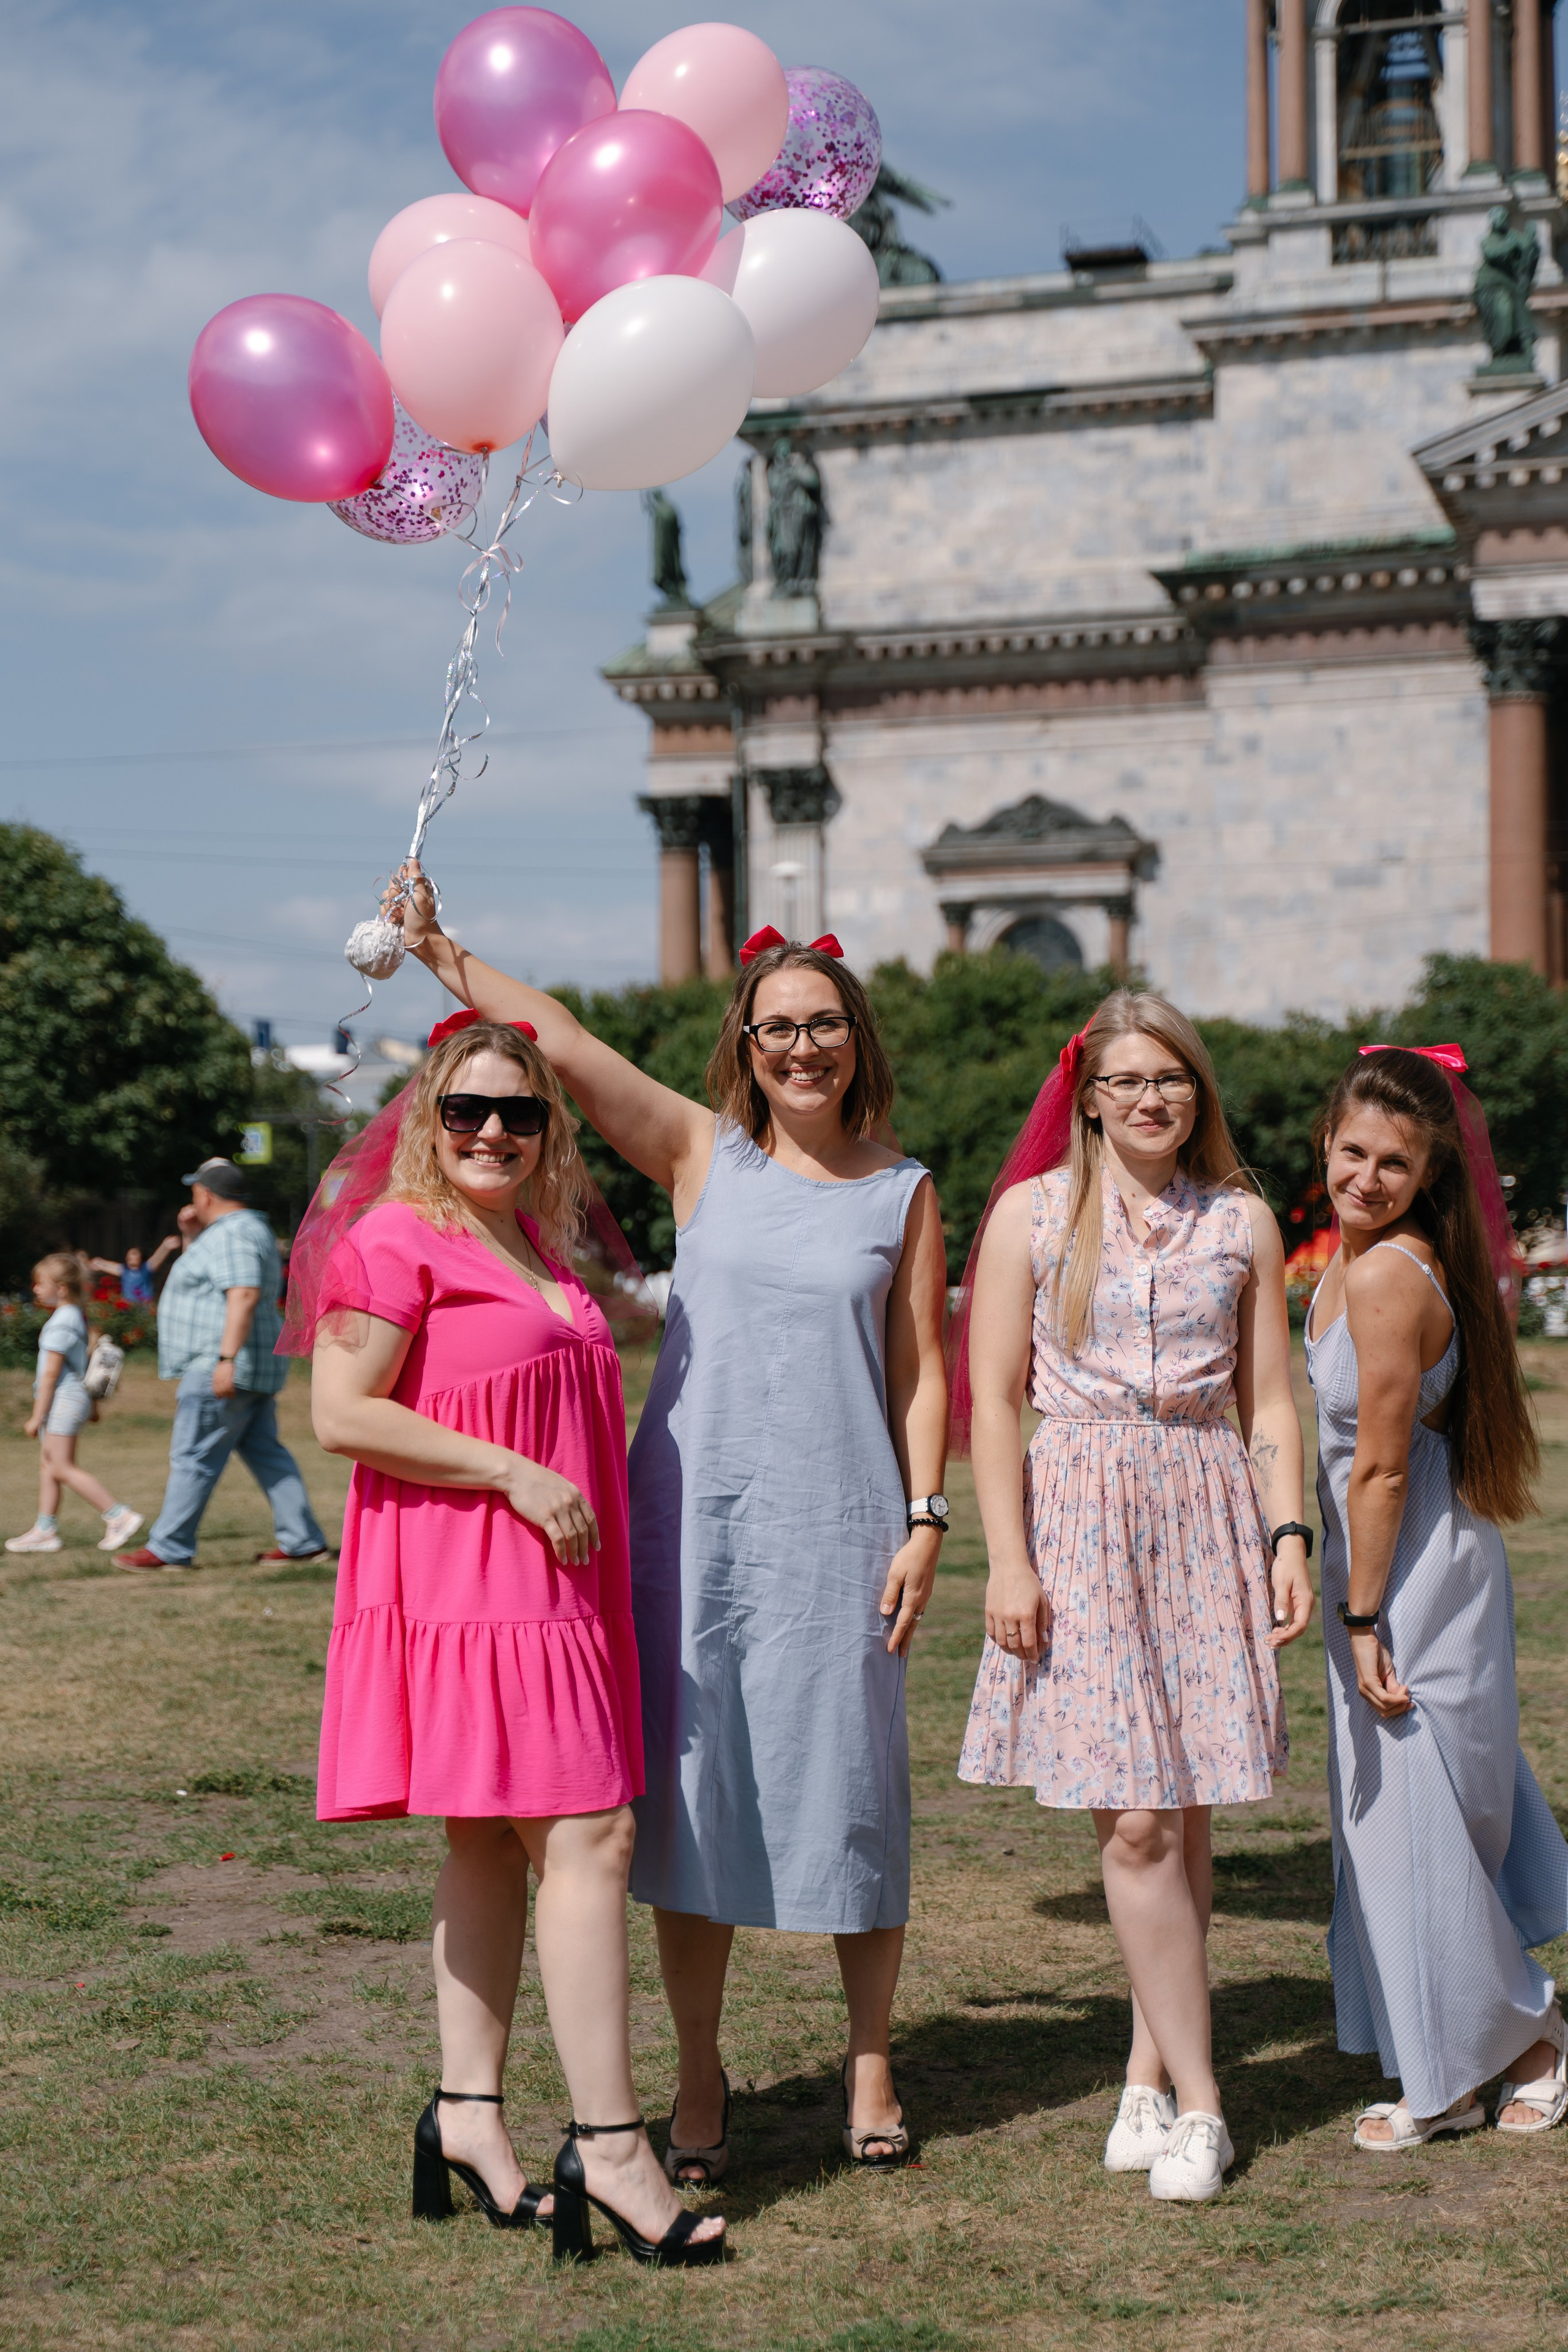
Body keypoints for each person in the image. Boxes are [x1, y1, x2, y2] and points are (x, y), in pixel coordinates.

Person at [388, 864, 949, 2179]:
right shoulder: (705, 1151)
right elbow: (565, 1048)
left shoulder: (901, 1189)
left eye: (824, 1025)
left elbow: (921, 1366)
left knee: (851, 1789)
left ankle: (869, 2060)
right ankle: (698, 2073)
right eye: (777, 1028)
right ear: (744, 1051)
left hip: (847, 1522)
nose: (801, 1047)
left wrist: (926, 1518)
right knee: (694, 1801)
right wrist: (438, 953)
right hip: (691, 1522)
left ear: (854, 1042)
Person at [294, 1010, 722, 2266]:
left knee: (487, 1840)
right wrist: (509, 1473)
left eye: (518, 1114)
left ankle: (468, 2116)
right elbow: (338, 1412)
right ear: (427, 1118)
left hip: (552, 1583)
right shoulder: (393, 1236)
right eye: (466, 1110)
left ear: (547, 1132)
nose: (491, 1131)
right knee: (591, 1834)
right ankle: (612, 2142)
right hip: (473, 1577)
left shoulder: (534, 1243)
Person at [952, 990, 1315, 2204]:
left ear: (1193, 1090)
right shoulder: (1032, 1216)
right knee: (1138, 1821)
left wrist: (1285, 1533)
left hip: (1206, 1504)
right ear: (1088, 1096)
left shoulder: (1242, 1221)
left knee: (1189, 1806)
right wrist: (1006, 1559)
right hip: (1079, 1512)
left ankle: (1147, 2075)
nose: (1151, 1098)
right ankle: (1207, 2107)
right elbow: (990, 1400)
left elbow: (1270, 1399)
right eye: (1126, 1080)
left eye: (1172, 1077)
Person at [1306, 1045, 1568, 2150]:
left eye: (1395, 1163)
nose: (1366, 1176)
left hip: (1407, 1579)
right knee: (1401, 1823)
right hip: (1386, 1569)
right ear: (1326, 1145)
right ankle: (1449, 2068)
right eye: (1354, 1152)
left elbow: (1377, 1468)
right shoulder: (1348, 1263)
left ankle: (1535, 2044)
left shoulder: (1380, 1276)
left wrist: (1364, 1620)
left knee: (1417, 1822)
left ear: (1427, 1178)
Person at [113, 1159, 328, 1573]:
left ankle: (171, 1547)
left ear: (206, 1195)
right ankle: (303, 1542)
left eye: (196, 1191)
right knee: (267, 1453)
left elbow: (243, 1293)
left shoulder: (235, 1232)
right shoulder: (240, 1230)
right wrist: (192, 1235)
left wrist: (226, 1359)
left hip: (225, 1363)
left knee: (193, 1454)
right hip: (247, 1363)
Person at [6, 1254, 143, 1556]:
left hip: (62, 1403)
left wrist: (35, 1416)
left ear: (62, 1288)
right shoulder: (75, 1317)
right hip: (70, 1401)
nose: (36, 1289)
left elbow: (51, 1375)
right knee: (50, 1465)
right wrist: (91, 1408)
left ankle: (118, 1515)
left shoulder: (61, 1322)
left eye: (40, 1284)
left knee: (62, 1466)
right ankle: (45, 1530)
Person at [88, 1243, 168, 1306]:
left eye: (134, 1253)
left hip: (144, 1309)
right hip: (129, 1310)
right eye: (128, 1254)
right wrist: (98, 1264)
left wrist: (165, 1246)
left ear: (141, 1256)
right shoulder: (125, 1271)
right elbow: (111, 1266)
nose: (130, 1256)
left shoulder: (146, 1270)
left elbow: (157, 1258)